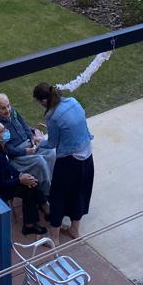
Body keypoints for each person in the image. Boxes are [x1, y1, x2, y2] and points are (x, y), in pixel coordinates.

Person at [33, 83, 94, 244]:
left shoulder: (52, 116)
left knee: (58, 195)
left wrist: (40, 141)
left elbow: (52, 143)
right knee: (80, 192)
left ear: (43, 101)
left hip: (70, 160)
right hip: (87, 155)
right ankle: (74, 229)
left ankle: (54, 237)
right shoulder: (73, 101)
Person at [0, 121, 47, 236]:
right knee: (30, 189)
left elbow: (8, 167)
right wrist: (20, 180)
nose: (7, 131)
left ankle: (43, 207)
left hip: (1, 182)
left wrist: (20, 175)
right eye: (3, 131)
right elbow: (1, 183)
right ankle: (29, 225)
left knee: (32, 181)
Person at [0, 93, 56, 195]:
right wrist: (25, 151)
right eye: (3, 108)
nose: (8, 110)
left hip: (29, 144)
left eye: (8, 106)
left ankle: (53, 183)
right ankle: (46, 193)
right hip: (16, 155)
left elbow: (24, 126)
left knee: (51, 152)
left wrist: (32, 137)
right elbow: (6, 148)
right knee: (39, 161)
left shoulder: (12, 111)